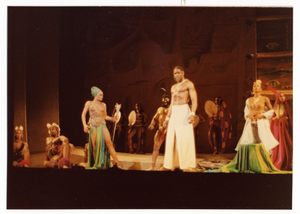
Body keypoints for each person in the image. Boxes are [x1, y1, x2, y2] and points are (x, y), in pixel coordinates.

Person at [162, 66, 198, 171]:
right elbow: (171, 104)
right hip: (174, 112)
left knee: (184, 138)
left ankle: (187, 165)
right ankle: (169, 165)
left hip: (184, 111)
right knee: (170, 138)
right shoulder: (173, 87)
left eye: (178, 73)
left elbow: (194, 100)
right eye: (174, 73)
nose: (176, 75)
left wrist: (192, 113)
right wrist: (167, 118)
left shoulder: (188, 84)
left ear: (183, 72)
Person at [81, 86, 122, 169]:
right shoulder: (89, 103)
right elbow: (83, 114)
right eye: (100, 95)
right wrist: (85, 125)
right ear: (95, 95)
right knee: (95, 146)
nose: (102, 96)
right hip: (94, 126)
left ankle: (118, 163)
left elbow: (105, 116)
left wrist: (113, 118)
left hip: (102, 125)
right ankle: (97, 164)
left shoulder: (104, 104)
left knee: (109, 144)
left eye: (102, 95)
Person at [234, 80, 278, 154]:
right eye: (254, 86)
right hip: (251, 121)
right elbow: (246, 111)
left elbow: (272, 111)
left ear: (260, 89)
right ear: (252, 89)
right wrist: (249, 115)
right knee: (250, 140)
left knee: (261, 139)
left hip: (261, 121)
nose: (256, 87)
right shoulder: (248, 100)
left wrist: (263, 115)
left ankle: (264, 156)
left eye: (258, 86)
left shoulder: (265, 99)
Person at [147, 88, 170, 171]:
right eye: (163, 99)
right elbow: (155, 118)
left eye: (166, 99)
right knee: (156, 147)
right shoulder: (159, 109)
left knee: (170, 148)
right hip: (160, 130)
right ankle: (153, 166)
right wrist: (152, 124)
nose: (165, 100)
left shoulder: (171, 109)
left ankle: (168, 166)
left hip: (169, 130)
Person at [270, 92, 293, 171]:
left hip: (285, 129)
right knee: (278, 144)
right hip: (277, 128)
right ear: (277, 98)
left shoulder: (288, 107)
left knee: (285, 144)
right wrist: (276, 118)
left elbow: (290, 118)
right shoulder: (275, 107)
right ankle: (277, 161)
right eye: (280, 96)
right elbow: (272, 119)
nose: (282, 97)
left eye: (283, 96)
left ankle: (285, 162)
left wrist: (285, 118)